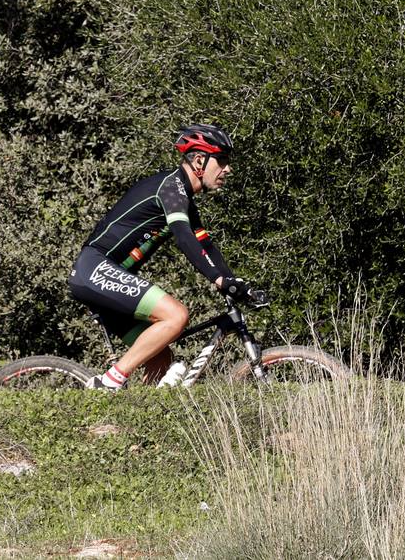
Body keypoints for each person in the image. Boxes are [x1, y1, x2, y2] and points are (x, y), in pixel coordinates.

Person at [68, 123, 264, 389]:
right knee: (176, 316)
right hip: (95, 269)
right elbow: (184, 239)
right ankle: (107, 383)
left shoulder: (184, 198)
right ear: (198, 160)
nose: (227, 169)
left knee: (161, 359)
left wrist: (233, 282)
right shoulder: (171, 188)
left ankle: (130, 420)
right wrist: (219, 280)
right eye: (221, 160)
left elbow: (206, 247)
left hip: (105, 277)